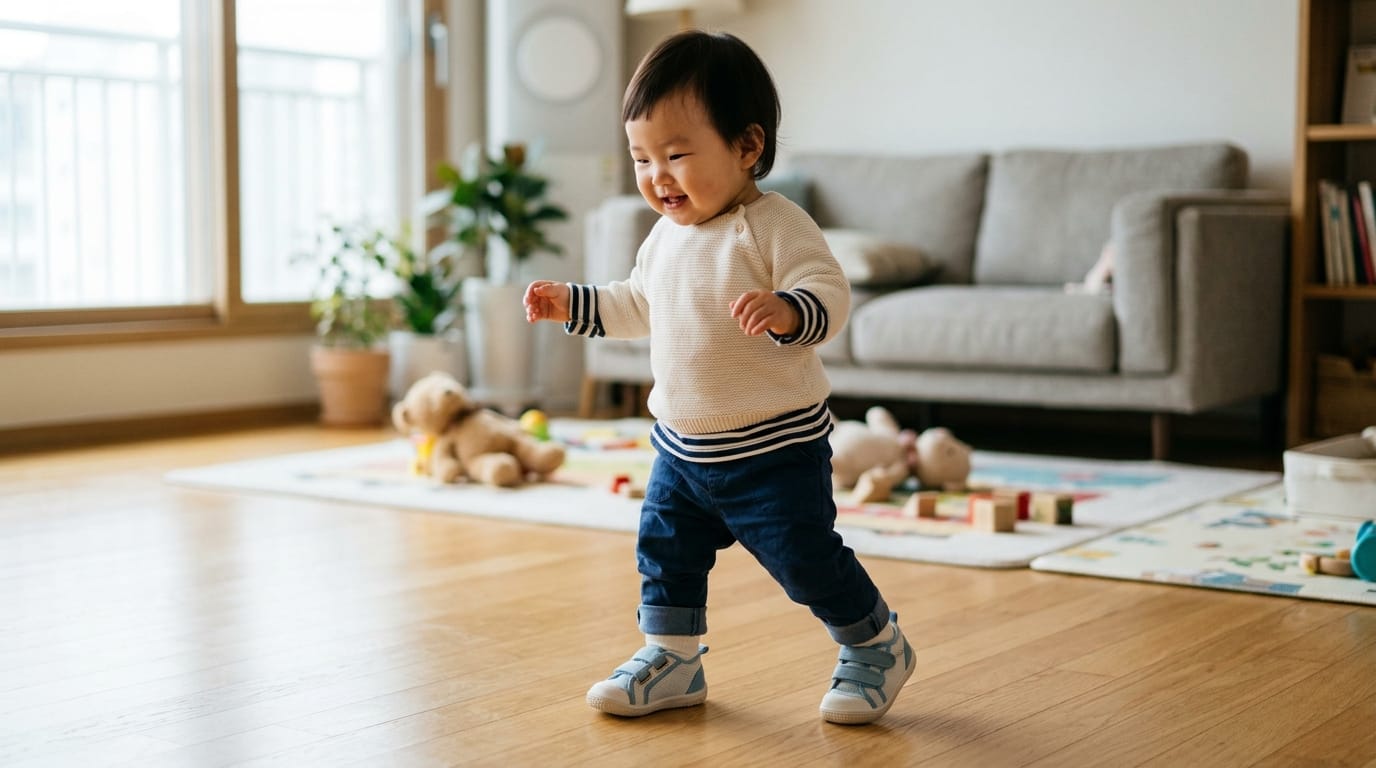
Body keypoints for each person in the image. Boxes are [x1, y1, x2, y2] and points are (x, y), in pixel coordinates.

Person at [522, 30, 913, 726]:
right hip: (682, 449)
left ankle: (875, 643)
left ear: (746, 146)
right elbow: (634, 303)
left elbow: (829, 292)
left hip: (775, 452)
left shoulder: (774, 227)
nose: (656, 177)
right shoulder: (664, 238)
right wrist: (572, 304)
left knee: (804, 558)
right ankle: (672, 657)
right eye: (642, 159)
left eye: (676, 155)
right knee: (664, 552)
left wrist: (789, 310)